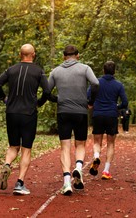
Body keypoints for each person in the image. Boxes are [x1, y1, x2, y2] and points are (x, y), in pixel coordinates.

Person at [0, 44, 53, 195]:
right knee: (26, 149)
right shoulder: (38, 71)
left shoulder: (11, 69)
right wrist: (39, 102)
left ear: (20, 54)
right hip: (28, 113)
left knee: (13, 146)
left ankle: (7, 164)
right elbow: (47, 91)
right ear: (33, 54)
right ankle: (19, 184)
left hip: (11, 112)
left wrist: (4, 98)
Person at [48, 45, 99, 195]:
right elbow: (96, 83)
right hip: (80, 111)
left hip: (63, 111)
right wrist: (91, 101)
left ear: (64, 56)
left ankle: (66, 183)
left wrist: (57, 99)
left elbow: (46, 90)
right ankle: (78, 167)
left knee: (65, 146)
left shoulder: (56, 71)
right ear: (77, 55)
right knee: (80, 144)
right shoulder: (85, 68)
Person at [88, 61, 128, 180]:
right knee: (110, 143)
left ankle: (96, 156)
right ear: (114, 71)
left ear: (103, 70)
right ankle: (106, 171)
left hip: (98, 114)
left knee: (97, 141)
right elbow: (125, 103)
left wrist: (93, 103)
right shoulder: (118, 85)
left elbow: (88, 96)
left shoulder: (96, 82)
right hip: (111, 115)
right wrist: (117, 107)